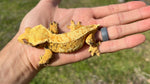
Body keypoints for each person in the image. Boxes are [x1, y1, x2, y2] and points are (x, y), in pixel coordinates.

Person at [0, 0, 150, 84]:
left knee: (91, 41)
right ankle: (78, 29)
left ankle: (94, 44)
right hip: (77, 31)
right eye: (27, 38)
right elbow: (51, 39)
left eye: (26, 40)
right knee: (77, 32)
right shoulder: (50, 38)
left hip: (85, 35)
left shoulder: (49, 46)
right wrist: (23, 59)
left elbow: (48, 56)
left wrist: (94, 45)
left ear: (40, 42)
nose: (22, 39)